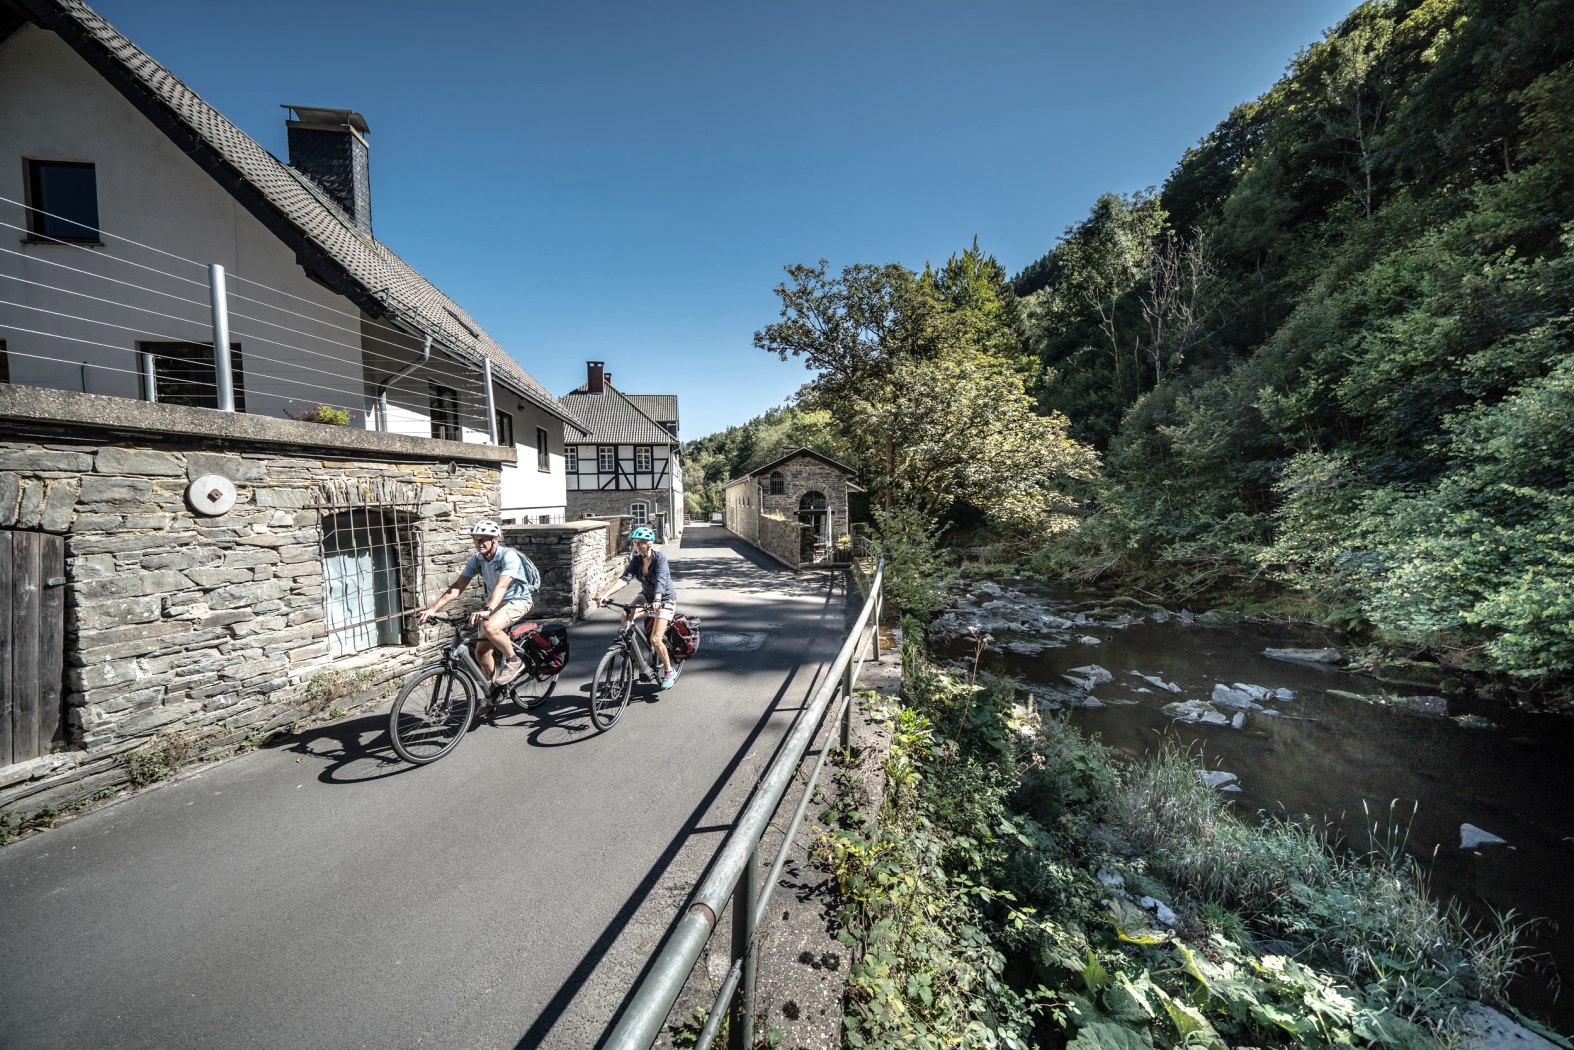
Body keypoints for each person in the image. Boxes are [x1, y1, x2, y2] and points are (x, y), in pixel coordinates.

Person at [418, 520, 540, 689]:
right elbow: (458, 587)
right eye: (476, 539)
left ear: (495, 539)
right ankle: (494, 694)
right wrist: (433, 609)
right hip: (496, 603)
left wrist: (487, 610)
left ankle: (514, 660)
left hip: (518, 601)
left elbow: (502, 585)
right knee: (481, 653)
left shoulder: (508, 556)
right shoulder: (477, 560)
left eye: (483, 539)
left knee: (489, 627)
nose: (479, 543)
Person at [607, 525, 679, 689]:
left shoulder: (659, 559)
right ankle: (628, 652)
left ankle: (669, 670)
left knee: (655, 639)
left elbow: (661, 579)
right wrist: (606, 594)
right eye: (635, 543)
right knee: (625, 615)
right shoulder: (637, 560)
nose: (637, 546)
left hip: (664, 599)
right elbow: (625, 578)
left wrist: (658, 598)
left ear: (649, 544)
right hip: (645, 597)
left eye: (641, 543)